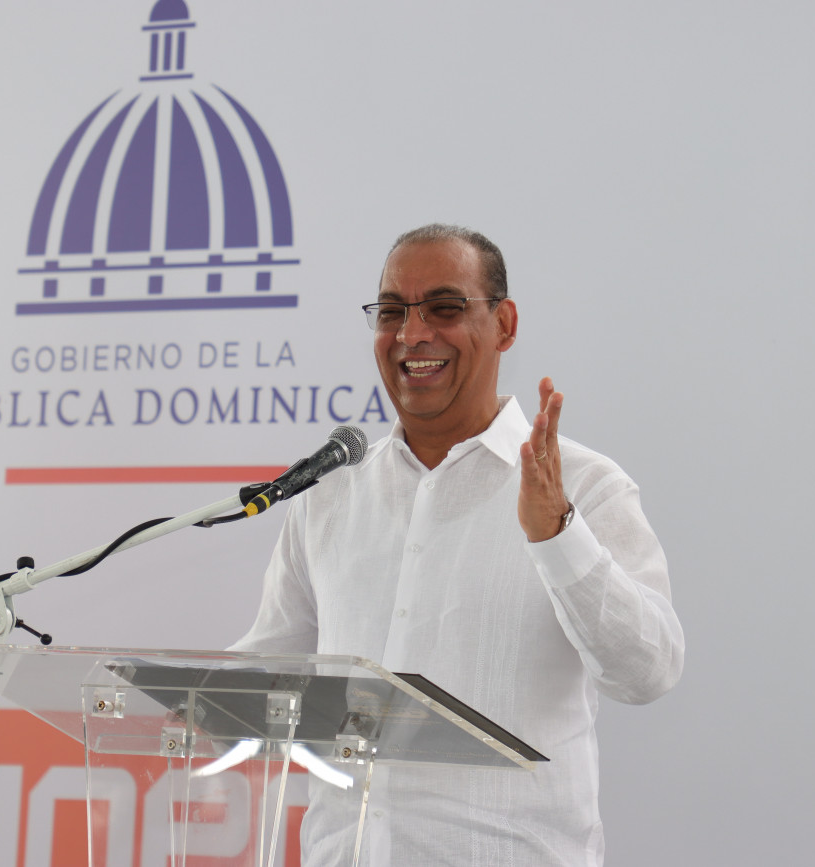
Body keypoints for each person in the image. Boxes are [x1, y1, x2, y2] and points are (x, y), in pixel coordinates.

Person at [231, 224, 684, 866]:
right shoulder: (328, 496)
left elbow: (648, 671)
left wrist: (558, 534)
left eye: (444, 308)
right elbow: (266, 671)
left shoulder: (584, 487)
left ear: (504, 324)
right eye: (392, 312)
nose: (412, 334)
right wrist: (165, 694)